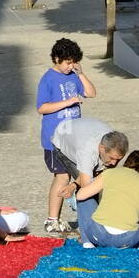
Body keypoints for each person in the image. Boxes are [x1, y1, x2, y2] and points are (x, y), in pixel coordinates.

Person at [38, 38, 96, 233]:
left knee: (83, 174)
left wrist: (81, 74)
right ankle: (52, 219)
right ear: (56, 58)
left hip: (74, 137)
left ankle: (76, 213)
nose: (71, 66)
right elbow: (42, 107)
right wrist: (68, 102)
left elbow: (91, 93)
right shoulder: (48, 78)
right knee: (61, 176)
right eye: (68, 62)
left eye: (74, 62)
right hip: (55, 138)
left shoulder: (74, 75)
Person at [45, 118, 128, 236]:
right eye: (112, 158)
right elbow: (86, 186)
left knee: (99, 178)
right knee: (63, 177)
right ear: (102, 148)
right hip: (62, 137)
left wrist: (74, 185)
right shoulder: (86, 152)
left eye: (118, 159)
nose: (114, 163)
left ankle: (102, 219)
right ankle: (52, 222)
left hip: (80, 131)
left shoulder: (113, 142)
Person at [75, 151, 139, 251]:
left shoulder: (110, 173)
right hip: (128, 241)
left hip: (97, 234)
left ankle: (87, 242)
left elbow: (80, 196)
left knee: (83, 198)